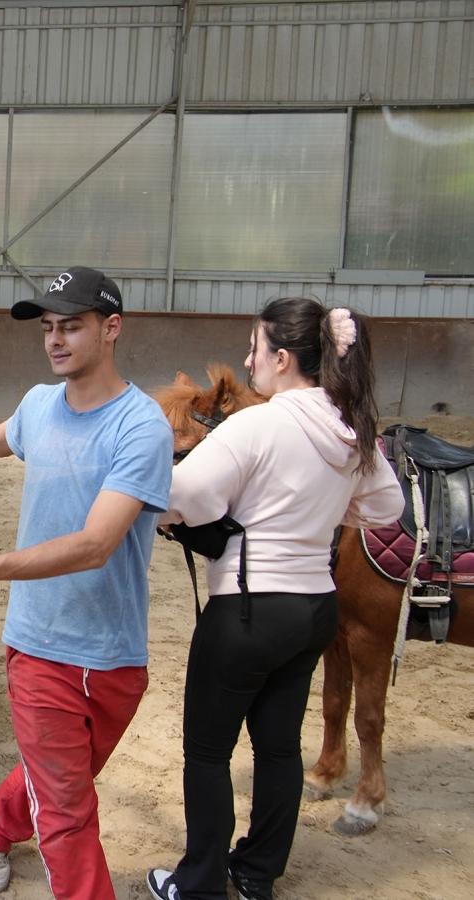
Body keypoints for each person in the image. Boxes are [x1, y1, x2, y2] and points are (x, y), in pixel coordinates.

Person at [0, 266, 175, 899]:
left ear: (111, 329)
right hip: (40, 649)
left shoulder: (141, 427)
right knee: (70, 810)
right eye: (48, 327)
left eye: (70, 326)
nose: (53, 340)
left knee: (56, 784)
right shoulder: (39, 404)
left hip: (114, 657)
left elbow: (95, 544)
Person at [145, 298, 405, 900]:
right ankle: (257, 873)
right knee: (280, 747)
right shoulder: (349, 428)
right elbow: (388, 508)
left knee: (208, 754)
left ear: (282, 359)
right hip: (314, 608)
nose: (248, 359)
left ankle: (201, 882)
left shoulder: (257, 423)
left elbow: (187, 494)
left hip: (247, 609)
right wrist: (320, 509)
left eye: (255, 348)